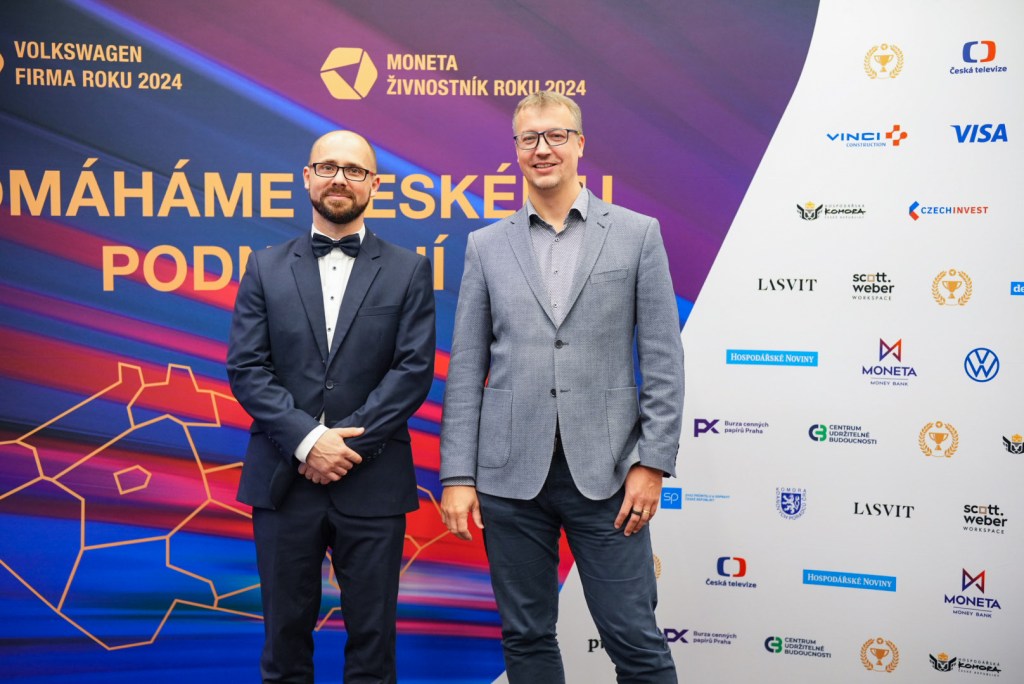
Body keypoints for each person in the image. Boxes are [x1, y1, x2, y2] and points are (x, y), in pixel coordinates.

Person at [439, 91, 683, 683]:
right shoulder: (485, 245)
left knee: (636, 641)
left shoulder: (636, 234)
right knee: (526, 638)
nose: (542, 149)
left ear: (579, 144)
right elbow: (467, 367)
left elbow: (662, 358)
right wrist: (457, 476)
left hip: (609, 475)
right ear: (516, 149)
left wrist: (652, 462)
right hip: (508, 477)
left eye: (555, 136)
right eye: (529, 138)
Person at [227, 130, 435, 684]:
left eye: (354, 170)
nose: (340, 179)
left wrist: (341, 447)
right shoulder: (264, 267)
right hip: (283, 481)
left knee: (373, 648)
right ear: (307, 176)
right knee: (283, 647)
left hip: (373, 481)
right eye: (328, 167)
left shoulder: (408, 270)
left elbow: (413, 371)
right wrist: (308, 441)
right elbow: (247, 368)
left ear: (374, 184)